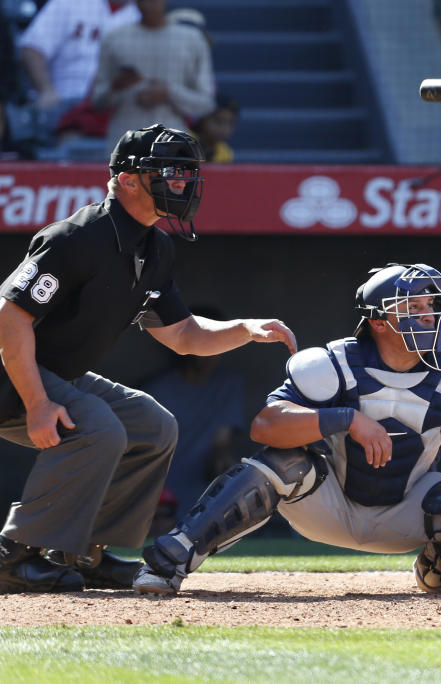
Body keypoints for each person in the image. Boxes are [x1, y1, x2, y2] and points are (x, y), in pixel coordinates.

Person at [0, 123, 297, 594]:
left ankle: (90, 551)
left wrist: (243, 329)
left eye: (186, 172)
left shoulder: (155, 247)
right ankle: (14, 553)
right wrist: (37, 403)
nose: (182, 182)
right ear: (128, 179)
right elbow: (10, 317)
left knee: (152, 425)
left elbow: (182, 334)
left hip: (58, 373)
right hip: (11, 372)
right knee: (98, 427)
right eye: (169, 171)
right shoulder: (77, 236)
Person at [131, 263, 441, 597]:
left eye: (432, 305)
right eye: (414, 306)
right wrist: (346, 419)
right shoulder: (335, 362)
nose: (429, 315)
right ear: (379, 321)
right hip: (329, 504)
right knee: (282, 463)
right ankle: (169, 561)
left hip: (406, 510)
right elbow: (266, 426)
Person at [140, 305, 247, 521]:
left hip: (203, 504)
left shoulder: (228, 385)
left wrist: (226, 468)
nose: (211, 354)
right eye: (207, 342)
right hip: (159, 501)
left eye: (220, 344)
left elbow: (220, 445)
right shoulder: (156, 391)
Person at [90, 0, 215, 152]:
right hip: (124, 147)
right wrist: (116, 87)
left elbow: (206, 103)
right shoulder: (113, 39)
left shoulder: (193, 40)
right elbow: (97, 101)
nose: (146, 4)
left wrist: (169, 92)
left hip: (171, 147)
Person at [17, 0, 139, 138]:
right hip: (66, 101)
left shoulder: (145, 8)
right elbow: (33, 48)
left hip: (117, 109)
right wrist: (46, 90)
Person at [190, 94, 239, 164]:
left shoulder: (225, 153)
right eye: (218, 121)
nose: (225, 129)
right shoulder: (184, 141)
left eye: (231, 123)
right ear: (203, 118)